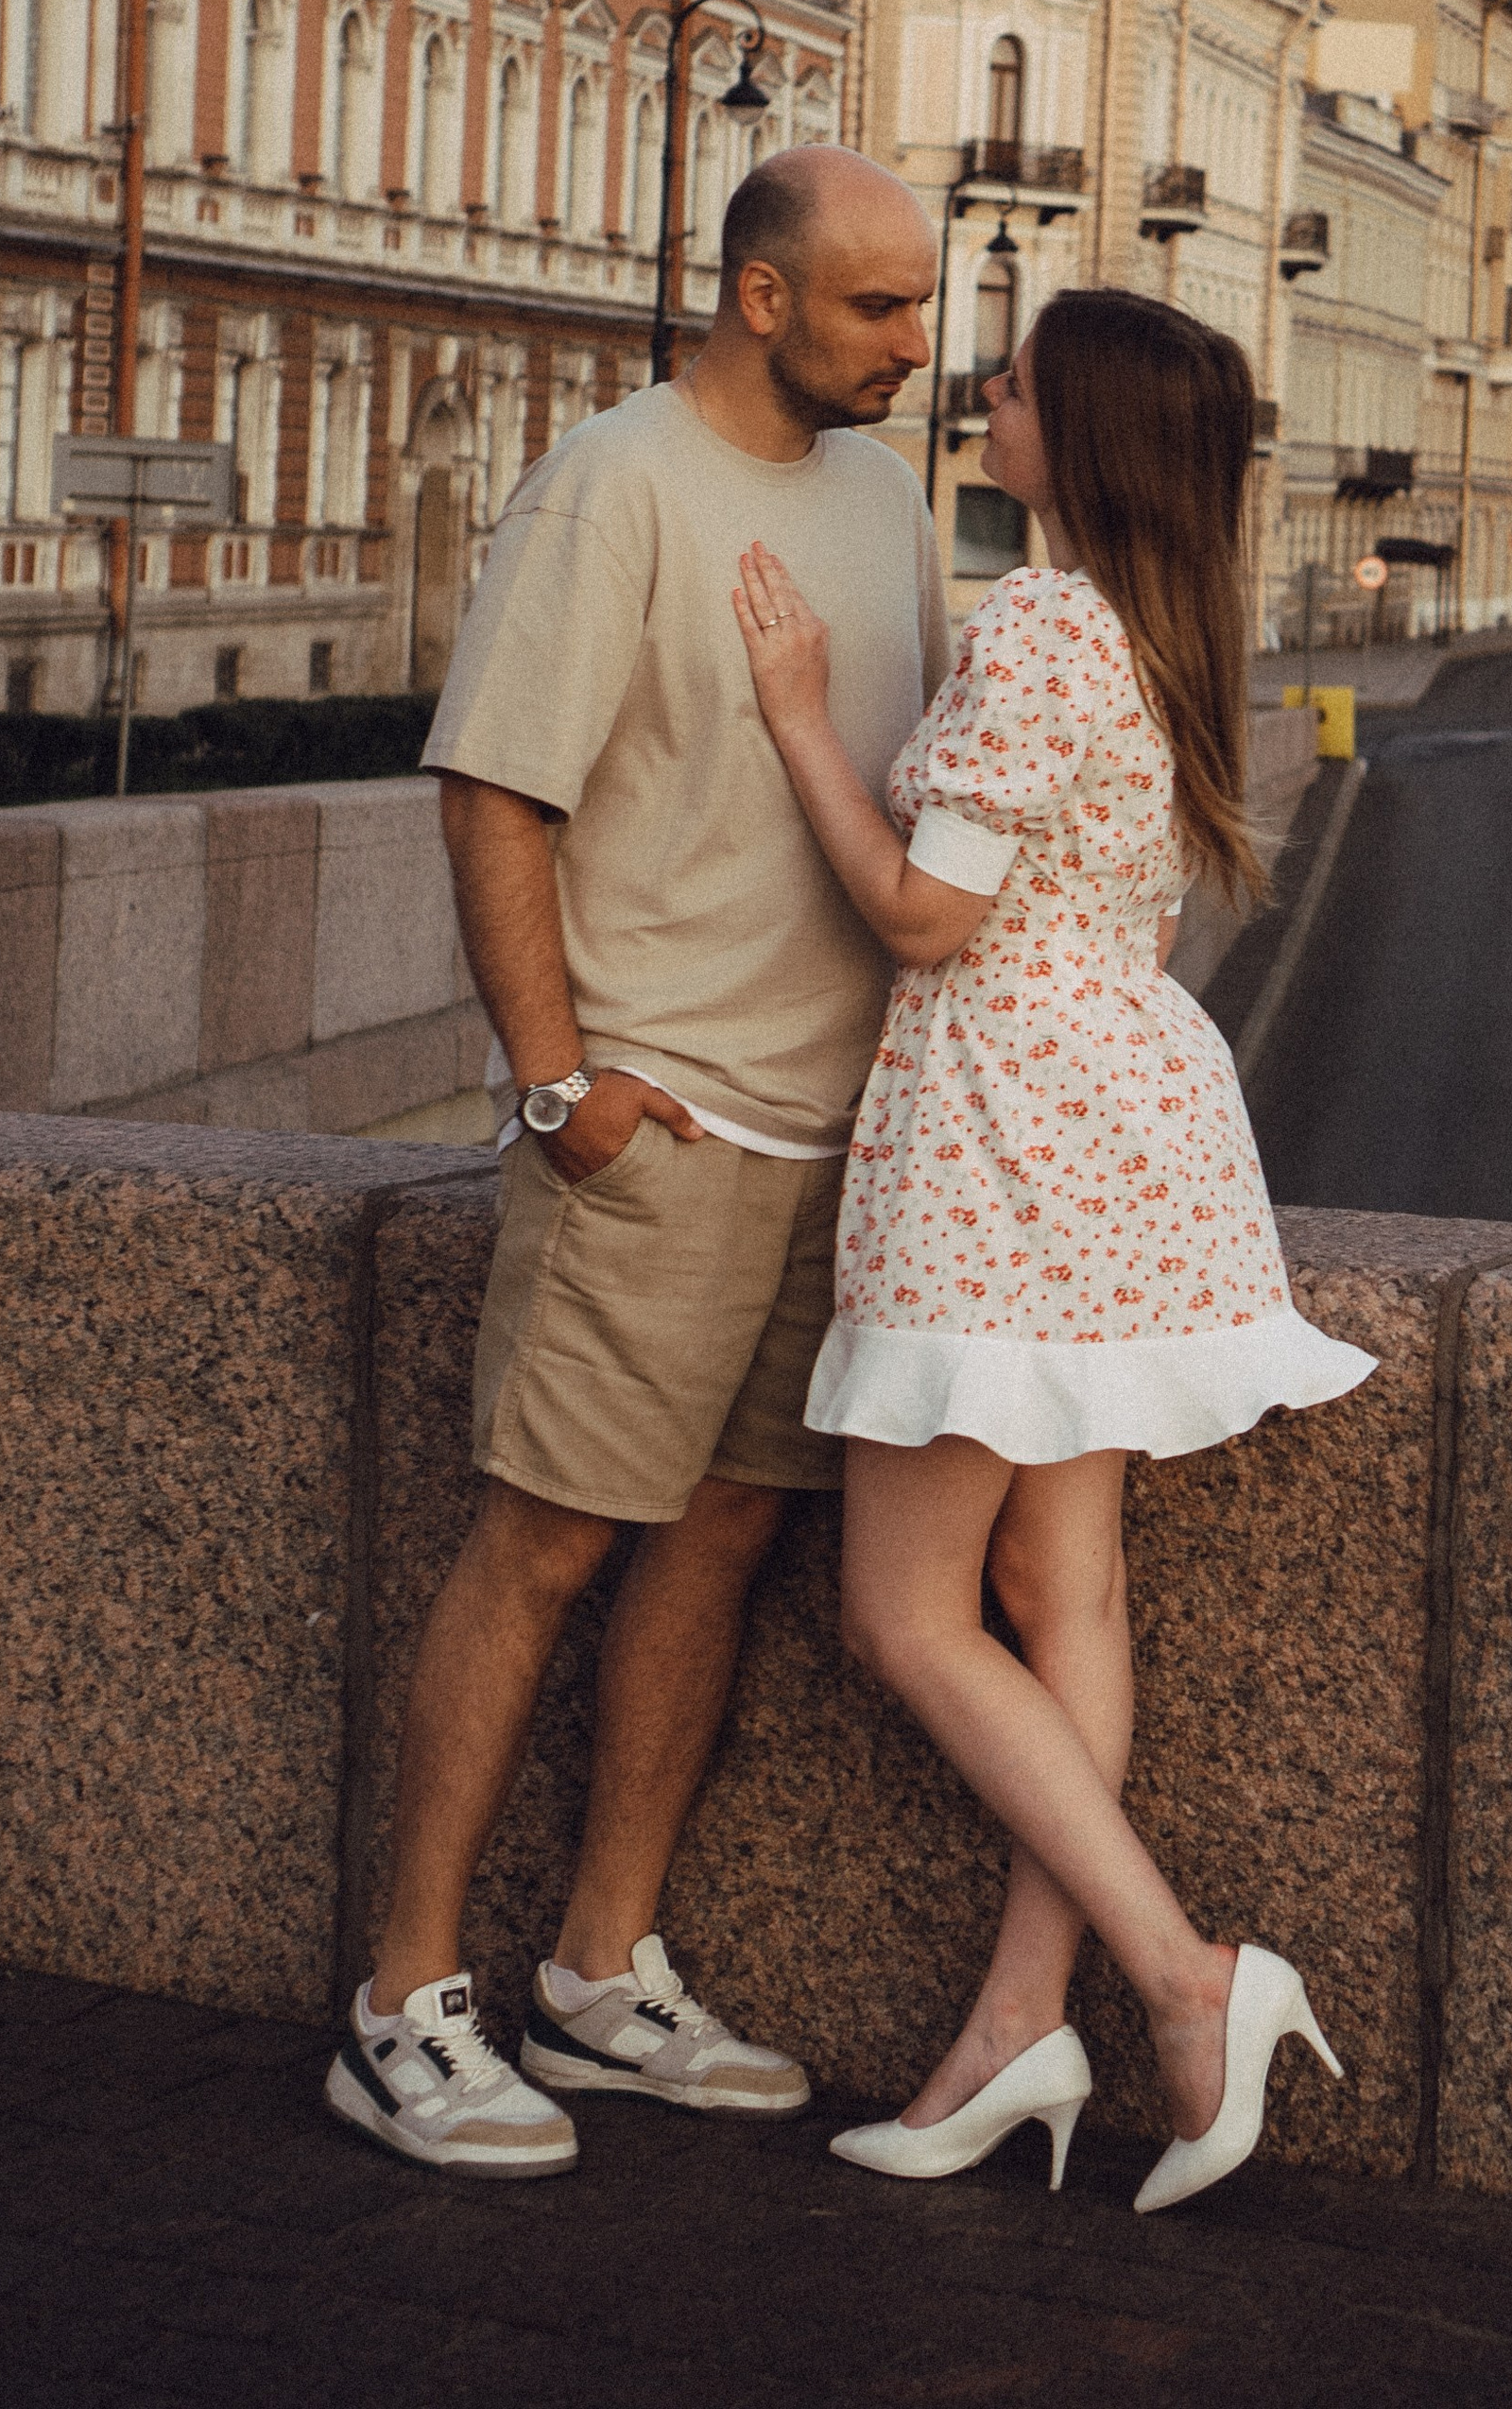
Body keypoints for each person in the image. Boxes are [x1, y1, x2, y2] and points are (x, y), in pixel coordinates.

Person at [325, 146, 949, 2180]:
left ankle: (601, 1975)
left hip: (833, 1124)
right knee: (544, 1544)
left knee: (719, 1544)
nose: (912, 347)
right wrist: (552, 1081)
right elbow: (494, 790)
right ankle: (403, 2005)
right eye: (876, 308)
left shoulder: (880, 493)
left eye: (920, 307)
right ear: (762, 299)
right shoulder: (611, 485)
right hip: (656, 1119)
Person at [730, 285, 1374, 2215]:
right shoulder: (1167, 631)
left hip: (1000, 1136)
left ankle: (1182, 1976)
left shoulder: (1038, 623)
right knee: (1057, 1583)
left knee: (906, 1615)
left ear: (1073, 434)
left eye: (1009, 384)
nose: (980, 397)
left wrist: (793, 725)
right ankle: (1018, 2028)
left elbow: (925, 919)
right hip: (1132, 1128)